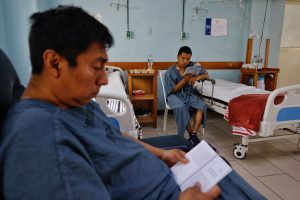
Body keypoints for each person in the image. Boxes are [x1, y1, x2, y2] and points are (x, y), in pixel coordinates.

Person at [0, 6, 221, 200]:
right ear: (55, 63)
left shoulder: (74, 101)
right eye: (97, 66)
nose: (105, 79)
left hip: (170, 178)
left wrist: (160, 153)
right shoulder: (40, 141)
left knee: (213, 160)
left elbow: (109, 132)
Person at [164, 46, 208, 146]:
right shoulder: (170, 72)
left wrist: (197, 77)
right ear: (178, 57)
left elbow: (206, 74)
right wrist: (184, 80)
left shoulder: (193, 66)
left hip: (188, 94)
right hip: (174, 95)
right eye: (183, 58)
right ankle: (181, 137)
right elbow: (173, 90)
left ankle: (193, 135)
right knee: (181, 107)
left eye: (188, 59)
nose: (185, 61)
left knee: (202, 106)